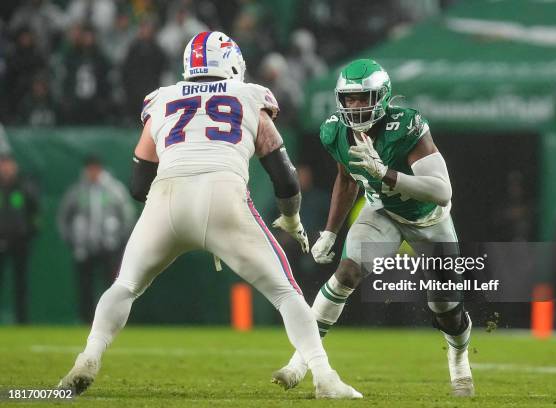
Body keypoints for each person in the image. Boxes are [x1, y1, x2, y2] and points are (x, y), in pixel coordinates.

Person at [58, 31, 361, 399]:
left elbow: (138, 184)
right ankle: (324, 376)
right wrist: (292, 219)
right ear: (233, 63)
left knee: (124, 285)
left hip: (166, 196)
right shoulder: (250, 96)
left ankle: (89, 354)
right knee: (285, 292)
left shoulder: (162, 100)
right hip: (223, 194)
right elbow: (284, 178)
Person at [272, 59, 475, 397]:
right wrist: (330, 232)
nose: (355, 106)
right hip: (381, 212)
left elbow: (442, 191)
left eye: (363, 97)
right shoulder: (335, 130)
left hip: (428, 219)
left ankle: (459, 360)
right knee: (346, 273)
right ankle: (299, 362)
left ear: (382, 97)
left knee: (446, 307)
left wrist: (385, 174)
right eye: (349, 99)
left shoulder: (405, 126)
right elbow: (345, 179)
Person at [57, 156, 135, 323]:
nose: (92, 172)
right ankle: (86, 320)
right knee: (85, 286)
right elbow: (64, 217)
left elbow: (127, 215)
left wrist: (120, 240)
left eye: (95, 168)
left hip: (110, 247)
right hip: (84, 248)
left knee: (112, 285)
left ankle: (112, 319)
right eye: (89, 169)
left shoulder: (114, 189)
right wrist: (72, 240)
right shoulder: (77, 191)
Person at [0, 154, 40, 323]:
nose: (6, 168)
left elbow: (35, 213)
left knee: (20, 283)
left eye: (9, 164)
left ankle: (22, 320)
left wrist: (27, 234)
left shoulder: (24, 187)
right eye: (3, 164)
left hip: (19, 243)